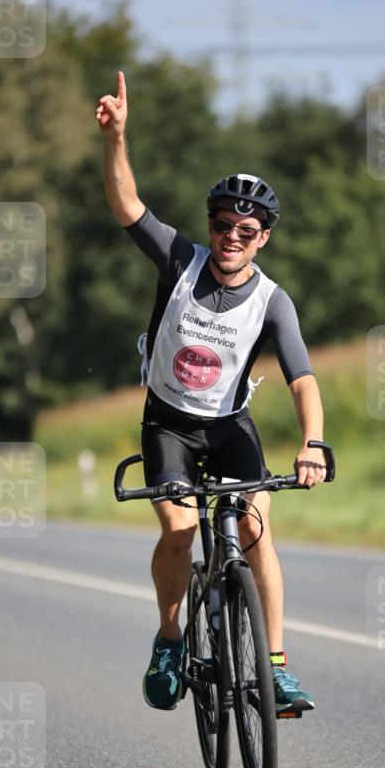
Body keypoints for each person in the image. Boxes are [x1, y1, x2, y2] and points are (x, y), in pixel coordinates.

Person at [96, 72, 328, 716]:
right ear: (211, 225)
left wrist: (312, 443)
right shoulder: (179, 260)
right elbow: (126, 204)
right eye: (223, 223)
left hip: (230, 426)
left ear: (264, 238)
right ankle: (170, 639)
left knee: (255, 530)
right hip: (168, 423)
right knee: (178, 531)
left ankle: (275, 668)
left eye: (247, 230)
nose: (232, 235)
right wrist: (117, 139)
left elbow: (302, 378)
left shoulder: (273, 302)